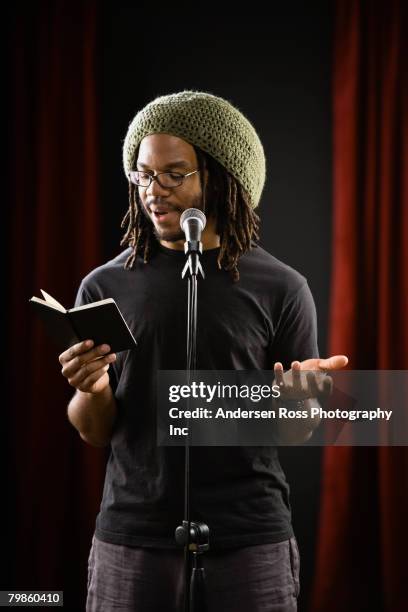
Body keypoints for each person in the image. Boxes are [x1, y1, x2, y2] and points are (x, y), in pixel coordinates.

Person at [59, 91, 348, 612]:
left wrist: (302, 401)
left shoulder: (281, 287)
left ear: (218, 176)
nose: (154, 191)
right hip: (134, 535)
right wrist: (91, 388)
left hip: (248, 538)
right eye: (143, 175)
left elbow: (294, 428)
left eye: (174, 174)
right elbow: (95, 429)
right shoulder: (103, 287)